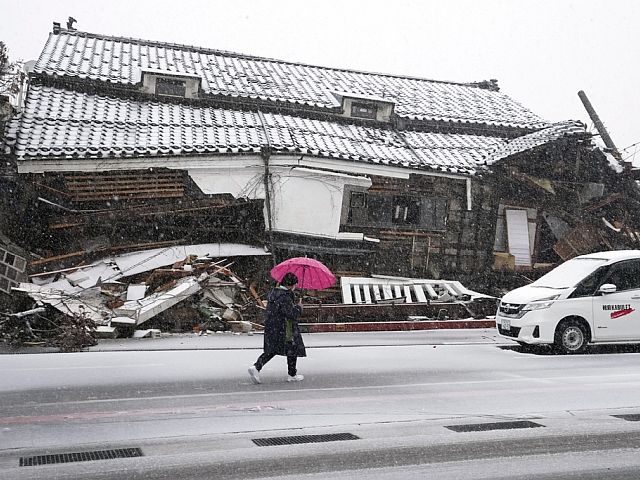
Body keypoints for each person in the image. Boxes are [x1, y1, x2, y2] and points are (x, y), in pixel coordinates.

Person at [248, 272, 306, 384]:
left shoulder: (274, 293)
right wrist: (299, 308)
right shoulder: (285, 296)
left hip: (273, 326)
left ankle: (257, 367)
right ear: (291, 285)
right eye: (295, 285)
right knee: (292, 349)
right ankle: (292, 374)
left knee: (273, 349)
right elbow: (289, 314)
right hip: (285, 328)